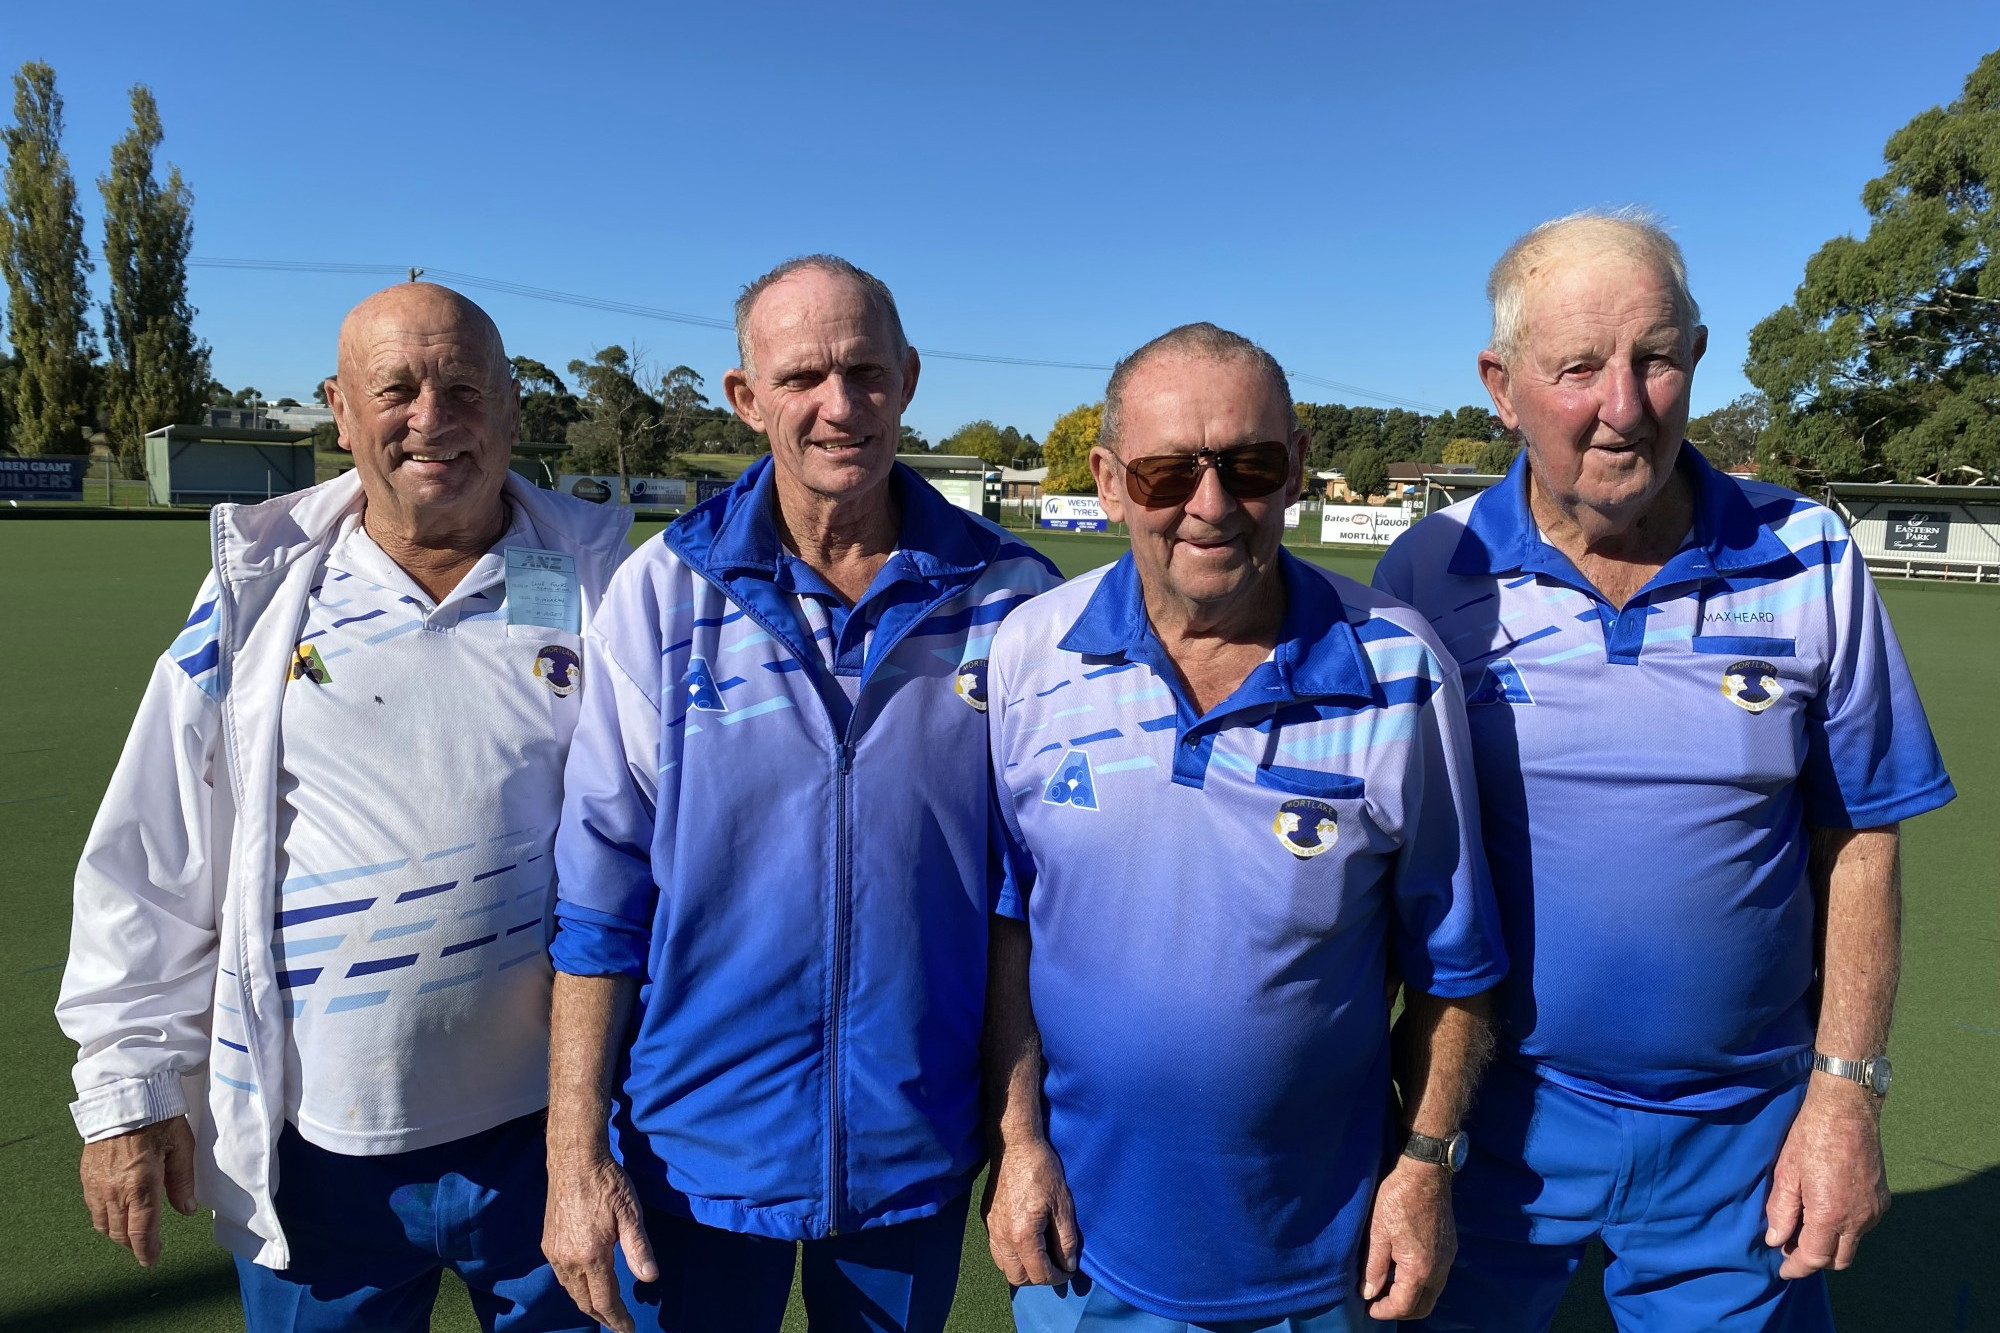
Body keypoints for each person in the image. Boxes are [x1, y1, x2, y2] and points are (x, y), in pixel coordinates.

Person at [1375, 211, 1956, 1332]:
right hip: (1493, 1118)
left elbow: (1860, 840)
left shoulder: (1808, 557)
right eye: (1577, 368)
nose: (1622, 406)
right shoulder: (1428, 572)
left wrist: (1843, 1094)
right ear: (1501, 385)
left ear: (1694, 355)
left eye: (1653, 358)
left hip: (1740, 1125)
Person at [57, 283, 632, 1332]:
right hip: (320, 1159)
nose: (430, 418)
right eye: (397, 389)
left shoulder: (610, 590)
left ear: (510, 408)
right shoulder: (255, 606)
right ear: (339, 409)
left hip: (560, 1138)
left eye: (462, 387)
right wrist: (126, 1088)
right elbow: (149, 852)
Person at [541, 255, 1063, 1333]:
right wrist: (571, 1154)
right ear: (746, 399)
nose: (839, 406)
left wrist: (1020, 1137)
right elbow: (598, 906)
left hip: (910, 1149)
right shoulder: (661, 594)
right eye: (801, 378)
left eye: (865, 371)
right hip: (691, 1151)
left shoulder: (1012, 601)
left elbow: (1029, 901)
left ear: (908, 377)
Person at [981, 323, 1508, 1332]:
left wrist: (1426, 1165)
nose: (1210, 506)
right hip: (1083, 1255)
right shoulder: (1029, 652)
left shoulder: (1399, 667)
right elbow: (1013, 921)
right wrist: (1016, 1141)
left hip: (1318, 1265)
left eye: (1250, 465)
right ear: (1105, 479)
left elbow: (1451, 964)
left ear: (1298, 467)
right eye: (1166, 472)